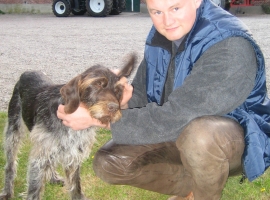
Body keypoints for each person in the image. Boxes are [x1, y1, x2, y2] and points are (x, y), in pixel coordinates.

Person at [57, 0, 270, 199]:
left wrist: (95, 120)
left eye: (175, 8)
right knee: (110, 162)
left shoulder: (230, 45)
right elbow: (143, 95)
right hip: (179, 130)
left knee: (200, 136)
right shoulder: (163, 36)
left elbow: (178, 116)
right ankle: (194, 184)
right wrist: (122, 101)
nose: (167, 21)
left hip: (236, 137)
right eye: (156, 12)